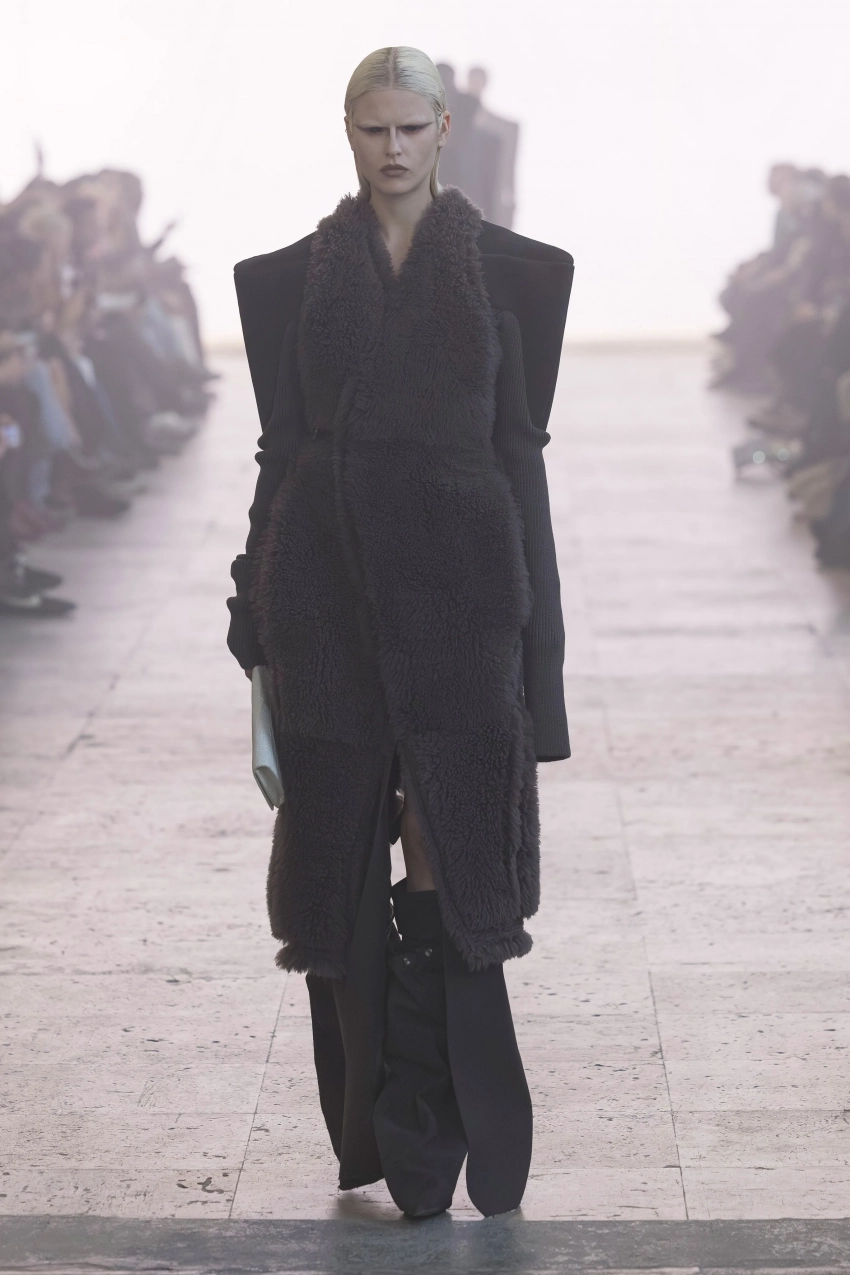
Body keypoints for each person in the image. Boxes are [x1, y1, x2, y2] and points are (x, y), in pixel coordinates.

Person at [226, 46, 573, 1220]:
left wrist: (543, 666)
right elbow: (279, 453)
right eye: (373, 128)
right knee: (339, 866)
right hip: (322, 600)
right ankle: (384, 1128)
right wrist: (251, 608)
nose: (392, 149)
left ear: (442, 132)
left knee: (448, 856)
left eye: (410, 129)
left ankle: (438, 1119)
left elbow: (520, 465)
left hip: (464, 603)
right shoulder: (282, 283)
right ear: (349, 132)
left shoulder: (522, 276)